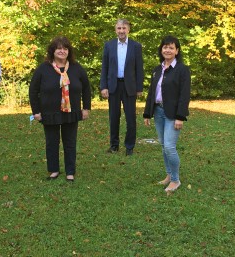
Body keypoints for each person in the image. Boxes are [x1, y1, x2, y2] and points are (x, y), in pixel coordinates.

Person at [29, 36, 91, 182]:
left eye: (65, 48)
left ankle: (70, 171)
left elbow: (87, 88)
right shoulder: (43, 69)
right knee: (52, 142)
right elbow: (33, 90)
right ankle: (54, 170)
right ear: (53, 51)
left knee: (70, 142)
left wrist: (86, 108)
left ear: (69, 51)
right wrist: (36, 111)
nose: (62, 51)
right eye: (59, 48)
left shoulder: (76, 68)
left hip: (71, 111)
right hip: (49, 112)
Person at [143, 36, 190, 193]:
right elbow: (152, 92)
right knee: (164, 146)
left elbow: (185, 95)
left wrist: (180, 117)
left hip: (173, 114)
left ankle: (176, 180)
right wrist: (147, 113)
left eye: (171, 47)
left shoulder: (182, 70)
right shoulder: (158, 69)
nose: (167, 50)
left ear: (177, 51)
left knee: (170, 147)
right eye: (165, 47)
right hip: (158, 111)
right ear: (161, 49)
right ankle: (169, 175)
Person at [100, 19, 144, 156]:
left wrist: (139, 87)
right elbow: (105, 68)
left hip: (129, 86)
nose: (121, 31)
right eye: (119, 28)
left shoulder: (135, 46)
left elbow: (139, 68)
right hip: (113, 85)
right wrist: (103, 86)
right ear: (115, 30)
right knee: (114, 117)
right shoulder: (109, 46)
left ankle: (129, 146)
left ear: (128, 30)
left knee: (130, 118)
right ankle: (114, 145)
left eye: (124, 28)